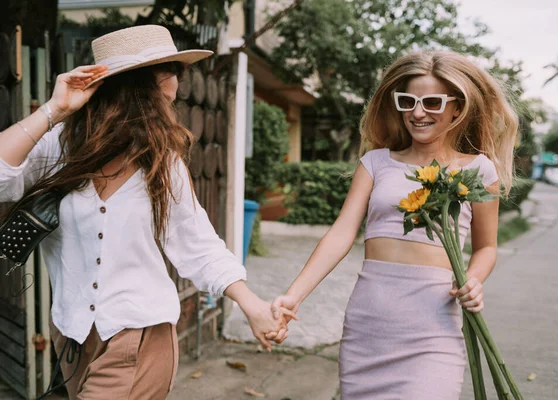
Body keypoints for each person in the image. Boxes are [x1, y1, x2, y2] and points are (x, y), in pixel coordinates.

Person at [0, 25, 293, 399]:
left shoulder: (162, 164)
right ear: (129, 95)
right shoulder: (58, 148)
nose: (168, 110)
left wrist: (252, 306)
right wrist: (53, 110)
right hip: (72, 340)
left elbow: (199, 246)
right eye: (161, 98)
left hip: (139, 340)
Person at [267, 51, 519, 399]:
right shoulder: (375, 163)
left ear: (456, 108)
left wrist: (473, 281)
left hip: (433, 332)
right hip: (368, 328)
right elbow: (341, 233)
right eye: (408, 102)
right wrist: (293, 296)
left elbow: (486, 247)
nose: (418, 113)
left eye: (431, 102)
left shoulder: (478, 170)